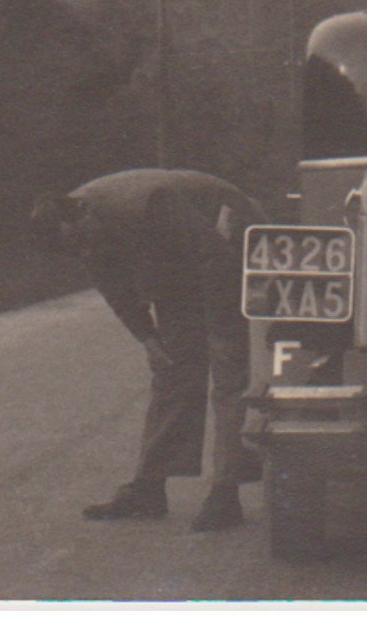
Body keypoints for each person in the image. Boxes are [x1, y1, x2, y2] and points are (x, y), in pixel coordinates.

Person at [36, 168, 267, 532]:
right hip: (177, 257)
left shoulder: (149, 203)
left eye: (82, 241)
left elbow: (213, 258)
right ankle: (149, 488)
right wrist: (148, 339)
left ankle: (227, 491)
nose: (86, 252)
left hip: (228, 238)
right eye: (76, 250)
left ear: (81, 213)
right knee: (174, 369)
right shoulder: (82, 230)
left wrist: (218, 329)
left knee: (227, 371)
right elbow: (117, 289)